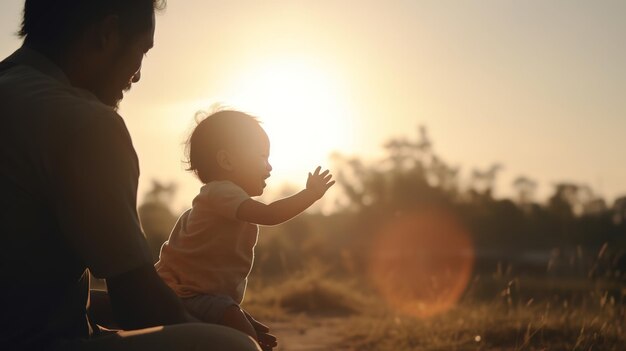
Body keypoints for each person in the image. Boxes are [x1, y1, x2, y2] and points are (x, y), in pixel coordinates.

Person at [0, 1, 260, 350]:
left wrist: (201, 309)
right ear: (107, 34)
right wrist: (215, 322)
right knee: (233, 346)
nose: (137, 75)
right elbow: (137, 305)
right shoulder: (85, 123)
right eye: (142, 50)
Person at [155, 110, 335, 348]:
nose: (269, 167)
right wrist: (309, 195)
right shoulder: (221, 192)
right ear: (227, 161)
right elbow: (270, 215)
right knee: (246, 339)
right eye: (262, 156)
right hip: (190, 296)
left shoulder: (220, 201)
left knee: (241, 334)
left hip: (198, 296)